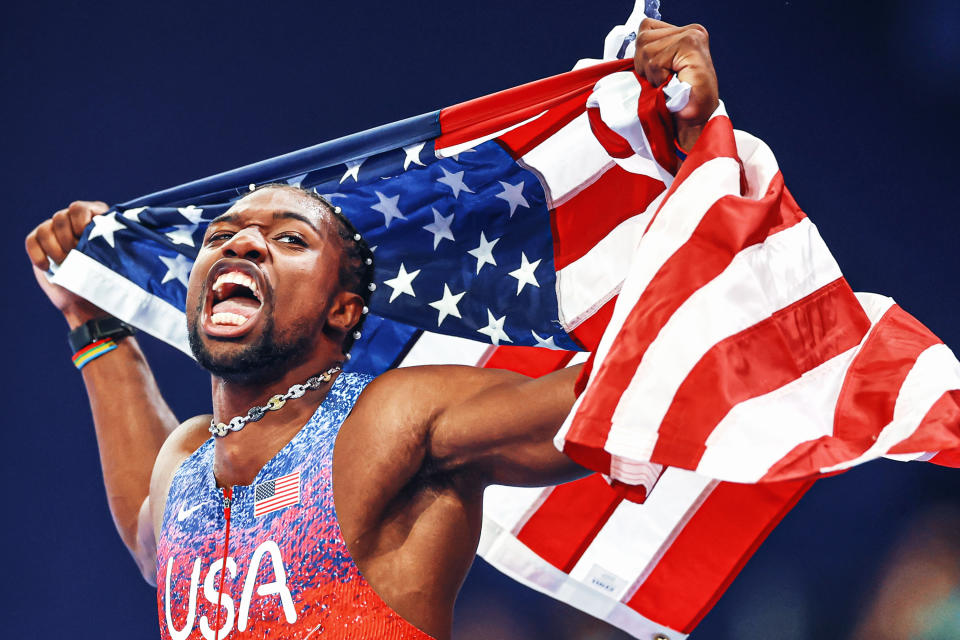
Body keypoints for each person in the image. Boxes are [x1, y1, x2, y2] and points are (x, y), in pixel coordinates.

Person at [24, 18, 718, 640]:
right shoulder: (190, 461)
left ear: (343, 310)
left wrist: (693, 167)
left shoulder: (391, 419)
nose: (242, 244)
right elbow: (155, 537)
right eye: (224, 234)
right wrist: (95, 323)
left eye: (289, 240)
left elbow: (616, 397)